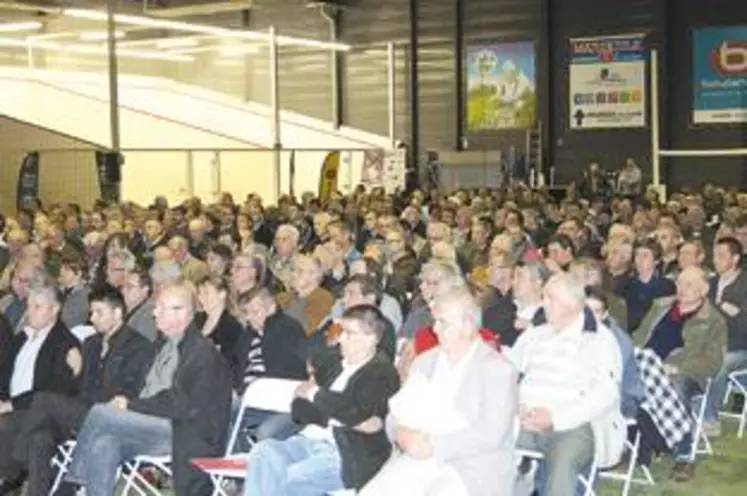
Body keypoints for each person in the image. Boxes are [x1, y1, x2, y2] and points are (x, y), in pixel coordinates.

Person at [64, 282, 233, 495]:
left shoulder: (202, 354)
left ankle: (70, 484)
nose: (154, 313)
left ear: (181, 313)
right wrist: (124, 400)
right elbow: (139, 386)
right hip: (148, 422)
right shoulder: (161, 345)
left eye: (161, 308)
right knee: (104, 444)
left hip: (180, 430)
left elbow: (179, 404)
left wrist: (131, 405)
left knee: (101, 413)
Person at [361, 288, 518, 496]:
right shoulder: (424, 362)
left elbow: (492, 433)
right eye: (434, 321)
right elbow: (397, 411)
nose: (434, 329)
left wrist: (435, 446)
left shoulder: (497, 369)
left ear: (468, 325)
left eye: (442, 322)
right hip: (416, 459)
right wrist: (400, 432)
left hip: (472, 466)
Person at [241, 305, 400, 495]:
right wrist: (335, 412)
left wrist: (317, 395)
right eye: (341, 331)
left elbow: (365, 420)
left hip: (343, 454)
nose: (340, 338)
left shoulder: (382, 373)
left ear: (371, 338)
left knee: (292, 478)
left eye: (349, 333)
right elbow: (299, 408)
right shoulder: (333, 364)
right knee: (263, 452)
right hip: (306, 441)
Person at [11, 286, 154, 496]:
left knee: (42, 399)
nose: (93, 318)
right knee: (39, 437)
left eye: (99, 312)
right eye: (91, 313)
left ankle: (12, 468)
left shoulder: (138, 346)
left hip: (107, 415)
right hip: (79, 414)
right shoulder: (91, 344)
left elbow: (128, 390)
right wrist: (76, 371)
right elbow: (77, 389)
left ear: (117, 313)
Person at [509, 274, 625, 495]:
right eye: (544, 297)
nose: (543, 303)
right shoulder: (534, 335)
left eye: (551, 298)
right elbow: (507, 374)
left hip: (574, 424)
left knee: (563, 459)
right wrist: (516, 407)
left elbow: (606, 394)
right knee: (481, 439)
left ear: (573, 304)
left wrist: (555, 418)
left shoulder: (600, 340)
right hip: (523, 418)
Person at [633, 267, 727, 482]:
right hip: (647, 363)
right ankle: (633, 444)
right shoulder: (660, 306)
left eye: (689, 284)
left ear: (703, 290)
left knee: (675, 384)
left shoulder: (714, 320)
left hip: (684, 373)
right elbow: (639, 336)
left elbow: (712, 361)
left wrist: (678, 368)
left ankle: (683, 453)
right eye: (679, 283)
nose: (681, 289)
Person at [0, 281, 83, 493]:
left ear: (55, 309)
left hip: (48, 415)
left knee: (8, 423)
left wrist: (12, 405)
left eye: (37, 306)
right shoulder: (22, 337)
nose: (29, 312)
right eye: (29, 306)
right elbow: (3, 373)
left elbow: (52, 391)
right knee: (39, 440)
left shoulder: (65, 343)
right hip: (22, 416)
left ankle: (10, 473)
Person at [704, 237, 747, 435]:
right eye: (714, 255)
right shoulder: (711, 283)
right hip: (709, 343)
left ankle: (710, 419)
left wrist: (725, 307)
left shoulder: (744, 284)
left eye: (721, 255)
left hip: (739, 349)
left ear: (735, 258)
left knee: (718, 362)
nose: (716, 260)